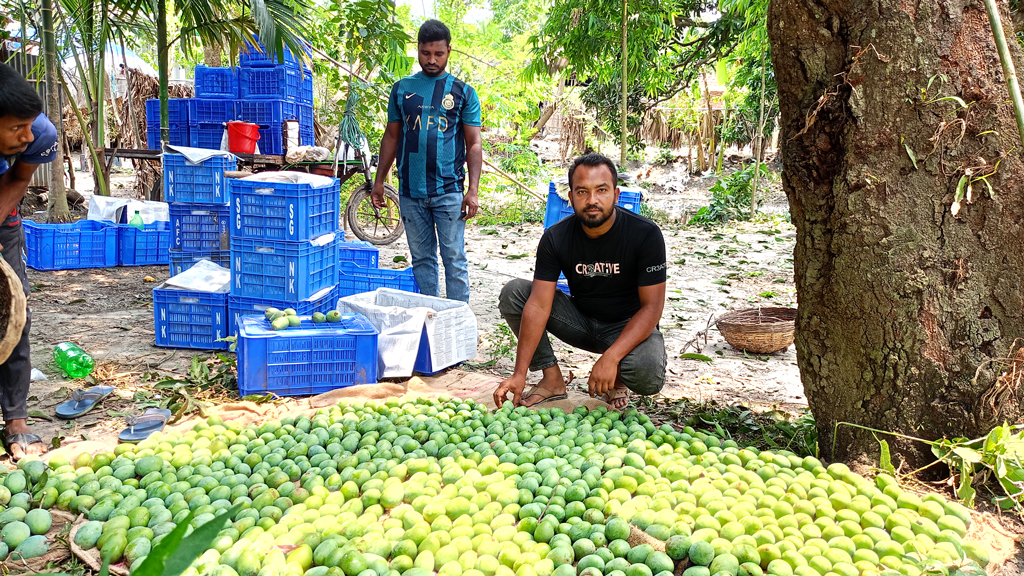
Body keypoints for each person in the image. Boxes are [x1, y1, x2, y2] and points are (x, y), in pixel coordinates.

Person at [493, 153, 667, 410]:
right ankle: (552, 380)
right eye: (583, 192)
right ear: (571, 197)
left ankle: (617, 379)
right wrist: (520, 373)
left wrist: (611, 358)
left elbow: (652, 308)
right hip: (580, 321)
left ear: (616, 195)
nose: (592, 200)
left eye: (602, 190)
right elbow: (539, 304)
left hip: (626, 326)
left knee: (647, 373)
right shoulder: (556, 238)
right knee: (515, 292)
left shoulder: (645, 234)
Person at [372, 19, 482, 303]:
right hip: (411, 192)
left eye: (439, 54)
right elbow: (392, 137)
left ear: (449, 52)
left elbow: (474, 144)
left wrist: (472, 191)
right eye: (426, 53)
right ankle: (430, 318)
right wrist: (379, 181)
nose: (432, 60)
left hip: (448, 192)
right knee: (422, 260)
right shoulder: (401, 89)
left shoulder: (463, 92)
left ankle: (457, 320)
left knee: (454, 259)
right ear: (417, 49)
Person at [0, 63, 58, 459]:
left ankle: (16, 419)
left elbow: (18, 180)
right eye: (15, 126)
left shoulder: (40, 134)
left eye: (29, 124)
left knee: (12, 313)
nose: (26, 135)